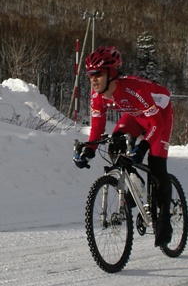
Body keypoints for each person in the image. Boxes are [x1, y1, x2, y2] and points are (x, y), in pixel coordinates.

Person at [73, 45, 174, 248]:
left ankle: (164, 221)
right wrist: (89, 151)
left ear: (111, 73)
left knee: (156, 166)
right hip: (136, 116)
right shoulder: (97, 96)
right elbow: (97, 128)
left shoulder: (132, 89)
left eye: (98, 74)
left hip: (159, 116)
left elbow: (157, 124)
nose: (93, 79)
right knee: (115, 144)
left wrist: (144, 146)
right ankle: (133, 182)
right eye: (90, 74)